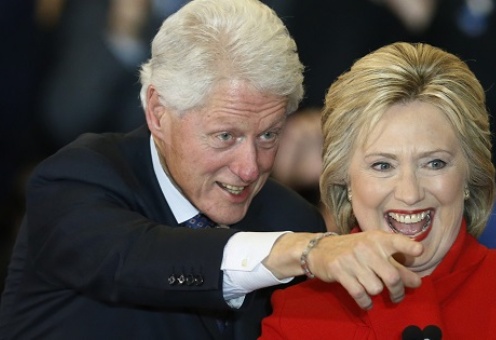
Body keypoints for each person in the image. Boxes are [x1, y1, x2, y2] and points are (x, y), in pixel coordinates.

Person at [0, 1, 426, 339]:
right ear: (157, 112)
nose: (249, 168)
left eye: (268, 136)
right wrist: (299, 252)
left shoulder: (288, 219)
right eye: (225, 136)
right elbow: (140, 259)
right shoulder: (75, 181)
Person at [260, 42, 496, 339]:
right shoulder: (297, 313)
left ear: (469, 176)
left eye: (434, 164)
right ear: (344, 181)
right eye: (382, 166)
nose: (409, 193)